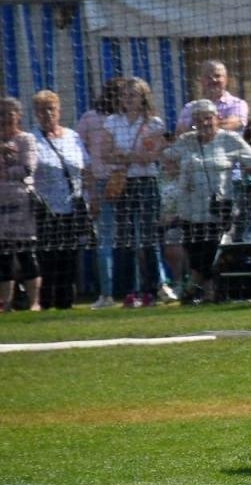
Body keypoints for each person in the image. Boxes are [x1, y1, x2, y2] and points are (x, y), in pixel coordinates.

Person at [162, 99, 251, 303]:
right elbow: (166, 157)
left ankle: (195, 287)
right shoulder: (186, 140)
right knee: (194, 251)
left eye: (208, 118)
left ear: (217, 118)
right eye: (199, 120)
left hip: (218, 208)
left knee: (212, 249)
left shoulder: (230, 139)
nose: (205, 123)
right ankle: (205, 291)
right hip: (189, 209)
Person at [104, 76, 168, 307]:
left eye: (132, 95)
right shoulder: (112, 121)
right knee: (125, 237)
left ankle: (151, 289)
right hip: (124, 182)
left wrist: (126, 156)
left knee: (149, 237)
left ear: (143, 98)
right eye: (124, 95)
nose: (127, 99)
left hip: (146, 181)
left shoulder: (154, 124)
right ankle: (127, 291)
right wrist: (131, 157)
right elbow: (106, 153)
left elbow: (151, 156)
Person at [30, 91, 92, 310]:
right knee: (48, 258)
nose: (47, 114)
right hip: (47, 210)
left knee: (70, 258)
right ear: (36, 113)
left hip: (73, 208)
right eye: (42, 110)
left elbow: (85, 168)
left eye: (51, 109)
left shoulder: (73, 137)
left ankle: (66, 303)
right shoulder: (33, 139)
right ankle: (46, 302)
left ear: (59, 111)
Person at [78, 80, 122, 309]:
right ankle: (106, 293)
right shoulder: (91, 119)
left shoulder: (126, 120)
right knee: (105, 239)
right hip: (106, 182)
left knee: (135, 239)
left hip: (126, 181)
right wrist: (91, 190)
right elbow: (82, 156)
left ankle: (129, 290)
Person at [0, 97, 41, 311]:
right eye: (2, 113)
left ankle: (34, 302)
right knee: (4, 255)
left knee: (26, 252)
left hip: (21, 203)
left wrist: (7, 167)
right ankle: (5, 303)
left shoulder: (26, 139)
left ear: (19, 115)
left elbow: (28, 168)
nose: (5, 118)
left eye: (10, 113)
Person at [176, 59, 248, 133]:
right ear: (201, 81)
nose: (213, 80)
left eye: (217, 76)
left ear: (226, 79)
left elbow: (234, 124)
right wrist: (217, 123)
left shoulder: (237, 104)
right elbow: (180, 131)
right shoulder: (189, 107)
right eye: (208, 77)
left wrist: (196, 126)